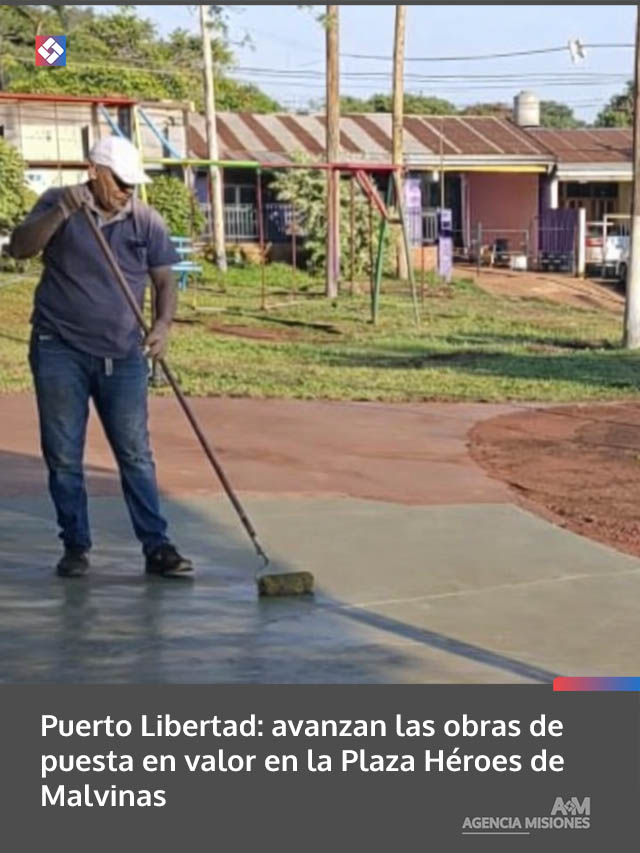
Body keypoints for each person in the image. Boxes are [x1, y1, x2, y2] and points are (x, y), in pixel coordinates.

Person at [9, 135, 194, 579]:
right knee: (63, 454)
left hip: (124, 353)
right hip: (59, 348)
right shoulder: (57, 202)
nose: (128, 190)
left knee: (134, 453)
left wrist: (163, 325)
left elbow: (165, 282)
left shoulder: (145, 220)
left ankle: (157, 546)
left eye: (133, 183)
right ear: (95, 172)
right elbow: (20, 247)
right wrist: (63, 212)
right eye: (120, 182)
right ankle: (75, 545)